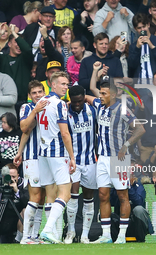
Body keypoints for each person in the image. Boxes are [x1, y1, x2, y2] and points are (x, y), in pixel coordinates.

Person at [84, 82, 145, 244]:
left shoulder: (123, 110)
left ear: (113, 95)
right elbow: (88, 97)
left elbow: (140, 129)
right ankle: (106, 236)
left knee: (122, 196)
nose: (100, 96)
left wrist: (126, 146)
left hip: (118, 159)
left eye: (104, 93)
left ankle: (121, 236)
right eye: (100, 93)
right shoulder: (100, 106)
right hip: (102, 158)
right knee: (103, 195)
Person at [37, 71, 76, 244]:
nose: (65, 87)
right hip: (57, 153)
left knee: (50, 195)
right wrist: (72, 156)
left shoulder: (41, 101)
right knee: (65, 194)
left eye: (67, 84)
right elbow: (65, 133)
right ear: (53, 84)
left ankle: (49, 233)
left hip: (42, 153)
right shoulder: (60, 104)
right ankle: (47, 230)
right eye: (62, 84)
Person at [13, 80, 47, 244]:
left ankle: (35, 235)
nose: (37, 95)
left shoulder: (49, 107)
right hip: (32, 158)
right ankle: (26, 236)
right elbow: (25, 128)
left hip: (47, 158)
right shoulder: (26, 108)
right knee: (34, 196)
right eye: (34, 93)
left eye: (40, 92)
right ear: (29, 95)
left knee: (42, 198)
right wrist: (35, 111)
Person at [64, 85, 97, 244]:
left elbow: (98, 98)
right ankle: (71, 232)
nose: (77, 104)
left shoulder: (92, 111)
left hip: (90, 161)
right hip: (73, 161)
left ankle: (84, 234)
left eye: (80, 101)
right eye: (74, 102)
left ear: (84, 98)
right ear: (70, 99)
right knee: (73, 195)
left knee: (89, 198)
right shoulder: (65, 112)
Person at [0, 23, 33, 112]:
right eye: (16, 42)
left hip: (24, 101)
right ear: (9, 44)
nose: (19, 45)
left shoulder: (25, 59)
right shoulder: (2, 59)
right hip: (5, 101)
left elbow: (27, 49)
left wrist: (13, 33)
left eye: (20, 41)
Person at [128, 13, 156, 83]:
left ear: (148, 25)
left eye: (144, 26)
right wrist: (137, 48)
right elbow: (131, 66)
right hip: (140, 84)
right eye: (139, 28)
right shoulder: (133, 46)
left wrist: (151, 46)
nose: (142, 30)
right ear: (135, 29)